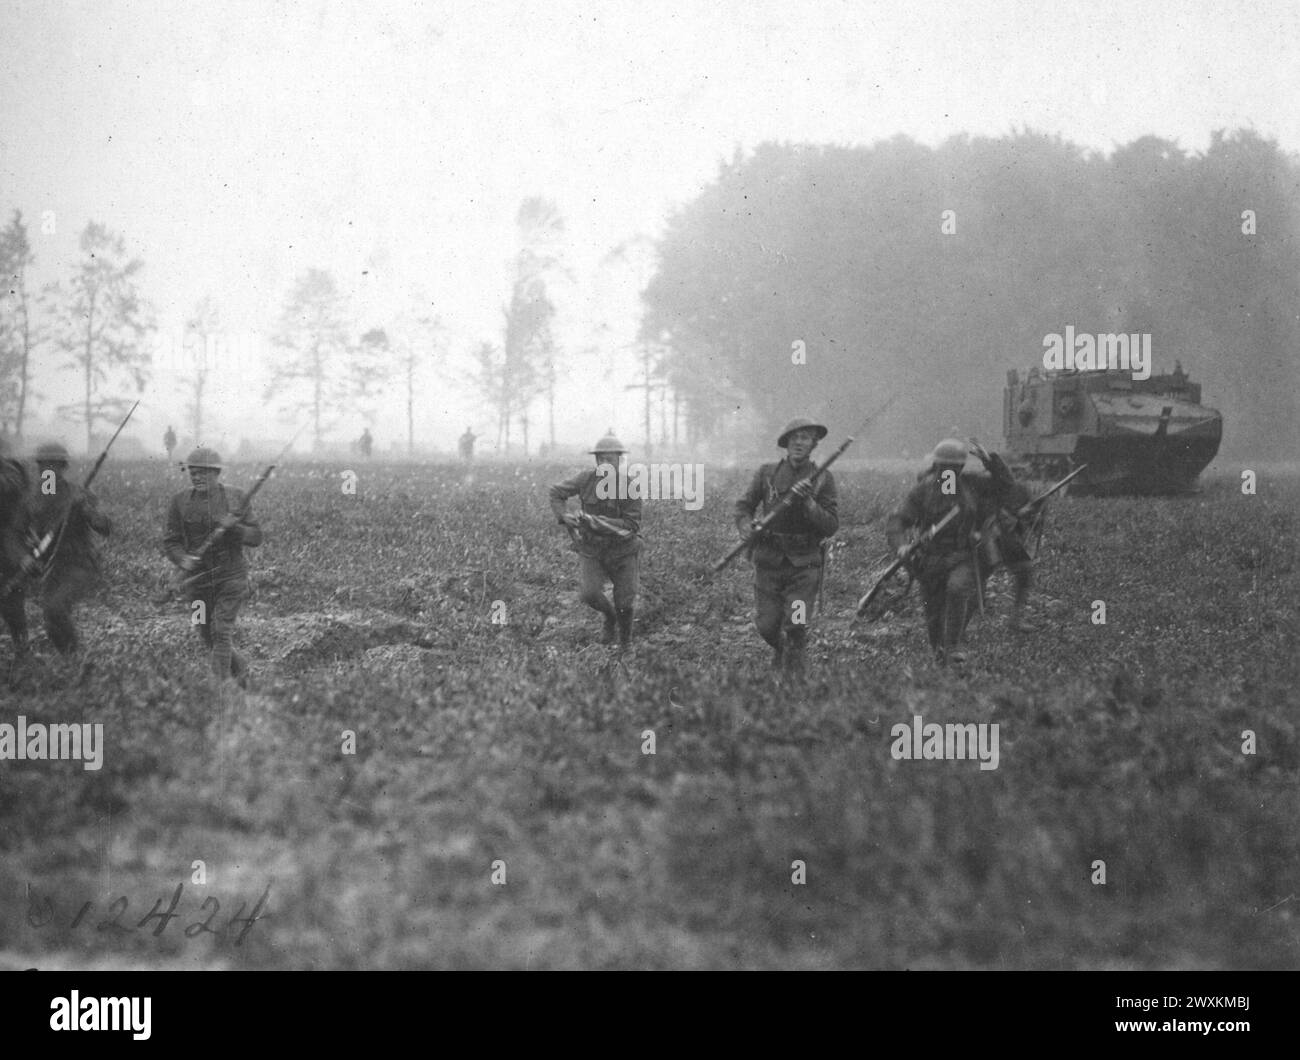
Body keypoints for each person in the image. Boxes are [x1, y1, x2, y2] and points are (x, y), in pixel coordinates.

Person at [886, 438, 1028, 666]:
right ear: (936, 466)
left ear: (961, 468)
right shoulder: (923, 490)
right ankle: (941, 656)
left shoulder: (972, 485)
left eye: (955, 468)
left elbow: (1007, 486)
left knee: (958, 587)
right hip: (930, 560)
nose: (949, 473)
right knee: (933, 614)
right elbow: (897, 522)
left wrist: (991, 462)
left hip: (962, 556)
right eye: (944, 468)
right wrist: (901, 544)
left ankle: (954, 646)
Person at [734, 417, 839, 676]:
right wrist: (746, 526)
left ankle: (796, 672)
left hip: (804, 565)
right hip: (769, 561)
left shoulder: (823, 478)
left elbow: (831, 524)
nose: (799, 443)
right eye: (794, 438)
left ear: (814, 444)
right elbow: (743, 506)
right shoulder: (767, 473)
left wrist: (809, 504)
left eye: (805, 438)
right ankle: (783, 650)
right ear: (786, 444)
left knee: (797, 620)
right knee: (766, 625)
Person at [163, 446, 262, 686]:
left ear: (216, 474)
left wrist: (234, 528)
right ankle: (243, 677)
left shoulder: (235, 497)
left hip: (231, 576)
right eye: (193, 473)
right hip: (197, 582)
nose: (196, 477)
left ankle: (218, 687)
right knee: (206, 632)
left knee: (221, 629)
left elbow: (256, 537)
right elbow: (171, 540)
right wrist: (182, 559)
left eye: (203, 473)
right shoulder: (180, 501)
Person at [548, 430, 643, 649]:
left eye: (611, 459)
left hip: (624, 550)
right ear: (596, 460)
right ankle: (609, 617)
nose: (606, 463)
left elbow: (631, 526)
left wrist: (594, 521)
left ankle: (625, 644)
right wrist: (564, 516)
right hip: (593, 550)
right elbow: (556, 492)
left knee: (625, 603)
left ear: (620, 460)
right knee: (589, 594)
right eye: (601, 459)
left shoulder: (630, 486)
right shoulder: (586, 479)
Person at [27, 441, 111, 656]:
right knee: (50, 616)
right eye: (43, 466)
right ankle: (69, 658)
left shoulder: (78, 493)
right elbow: (19, 530)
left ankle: (75, 658)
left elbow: (105, 527)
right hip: (49, 568)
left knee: (55, 609)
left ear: (63, 467)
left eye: (53, 466)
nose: (48, 471)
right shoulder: (30, 498)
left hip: (78, 565)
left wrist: (86, 508)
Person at [0, 437, 35, 658]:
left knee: (12, 599)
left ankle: (22, 649)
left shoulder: (12, 470)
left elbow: (21, 494)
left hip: (9, 543)